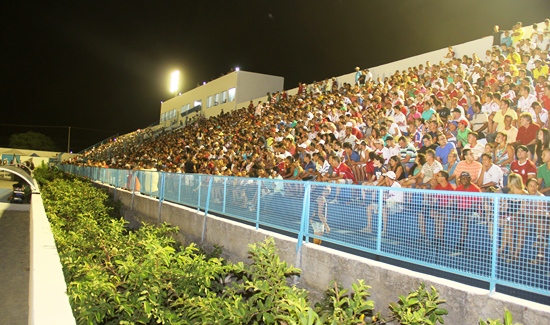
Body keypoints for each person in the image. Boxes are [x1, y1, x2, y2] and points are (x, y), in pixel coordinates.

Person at [498, 173, 528, 263]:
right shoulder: (509, 192)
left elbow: (522, 211)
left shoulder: (524, 194)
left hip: (521, 218)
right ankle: (510, 252)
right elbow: (506, 208)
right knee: (508, 225)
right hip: (510, 217)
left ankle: (515, 254)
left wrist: (512, 216)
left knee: (512, 224)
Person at [363, 171, 403, 235]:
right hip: (387, 203)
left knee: (384, 209)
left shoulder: (397, 186)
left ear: (388, 178)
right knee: (369, 207)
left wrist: (385, 201)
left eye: (385, 177)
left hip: (397, 205)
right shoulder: (388, 186)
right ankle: (369, 228)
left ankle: (384, 231)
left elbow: (397, 200)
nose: (384, 179)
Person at [453, 171, 481, 253]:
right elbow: (455, 202)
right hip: (461, 211)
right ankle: (439, 240)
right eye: (462, 178)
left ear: (469, 179)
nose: (463, 180)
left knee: (465, 218)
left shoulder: (475, 189)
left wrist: (462, 212)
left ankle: (461, 244)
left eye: (465, 178)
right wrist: (455, 212)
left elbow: (476, 205)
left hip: (473, 212)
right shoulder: (458, 188)